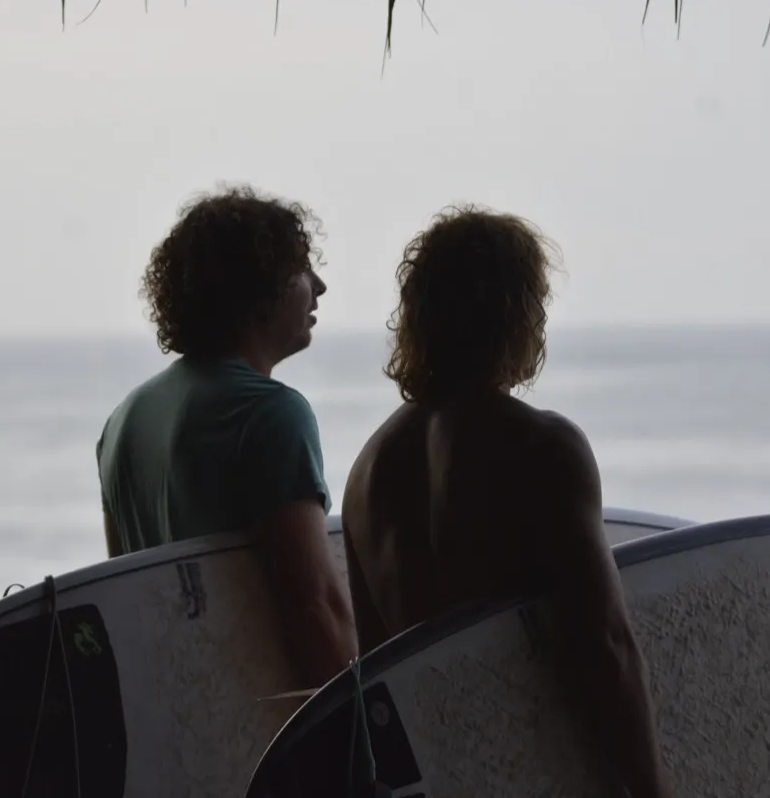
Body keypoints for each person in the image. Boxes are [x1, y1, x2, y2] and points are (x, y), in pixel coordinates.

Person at [341, 205, 671, 797]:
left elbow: (378, 677)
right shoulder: (541, 446)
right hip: (535, 773)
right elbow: (604, 643)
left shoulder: (367, 471)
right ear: (518, 314)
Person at [95, 184, 357, 689]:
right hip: (266, 732)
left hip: (179, 721)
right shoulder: (268, 411)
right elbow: (315, 608)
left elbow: (131, 600)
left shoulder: (123, 421)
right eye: (303, 268)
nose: (319, 286)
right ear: (262, 285)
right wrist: (362, 739)